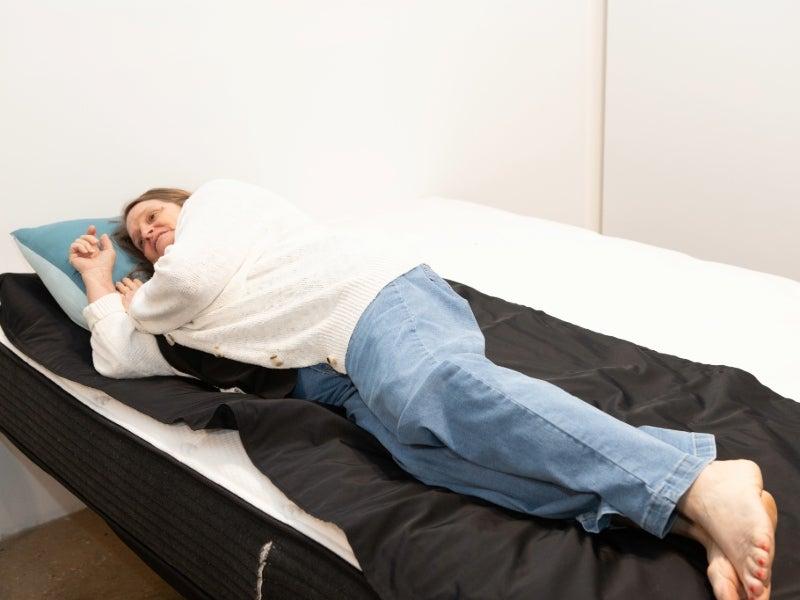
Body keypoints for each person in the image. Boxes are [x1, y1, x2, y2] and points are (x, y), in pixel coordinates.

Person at [68, 179, 777, 600]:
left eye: (156, 214)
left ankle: (699, 480)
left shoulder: (220, 205)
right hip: (333, 377)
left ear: (182, 203)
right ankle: (682, 516)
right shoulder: (168, 306)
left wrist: (141, 302)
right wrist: (101, 285)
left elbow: (184, 282)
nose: (151, 231)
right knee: (432, 459)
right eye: (139, 236)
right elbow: (119, 361)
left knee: (433, 388)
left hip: (368, 301)